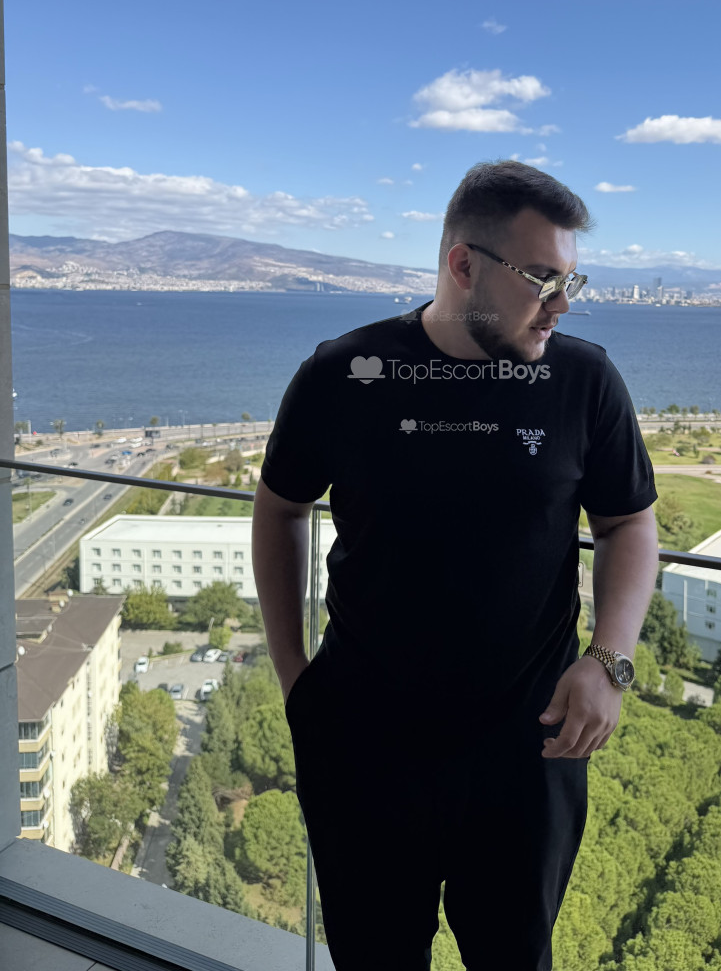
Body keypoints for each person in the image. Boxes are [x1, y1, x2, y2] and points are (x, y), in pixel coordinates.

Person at [252, 161, 659, 970]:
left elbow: (628, 523)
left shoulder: (584, 380)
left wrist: (609, 661)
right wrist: (297, 679)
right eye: (541, 279)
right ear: (463, 264)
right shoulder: (344, 373)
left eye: (571, 281)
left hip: (529, 752)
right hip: (363, 744)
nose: (561, 305)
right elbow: (281, 509)